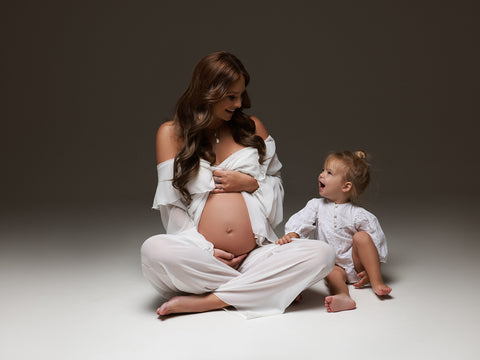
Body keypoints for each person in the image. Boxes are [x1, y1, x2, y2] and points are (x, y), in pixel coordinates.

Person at [140, 51, 335, 319]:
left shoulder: (253, 128)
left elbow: (276, 184)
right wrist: (206, 250)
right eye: (231, 96)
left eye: (241, 94)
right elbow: (171, 207)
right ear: (207, 92)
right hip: (205, 258)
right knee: (153, 251)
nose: (239, 103)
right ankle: (265, 287)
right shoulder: (170, 134)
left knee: (322, 254)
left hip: (256, 254)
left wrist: (251, 183)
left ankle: (208, 301)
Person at [276, 150, 391, 313]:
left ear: (346, 186)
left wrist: (372, 267)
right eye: (323, 170)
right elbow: (302, 221)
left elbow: (375, 239)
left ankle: (376, 281)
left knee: (362, 237)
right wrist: (294, 233)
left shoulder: (357, 213)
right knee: (332, 275)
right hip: (333, 265)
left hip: (355, 264)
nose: (321, 175)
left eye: (329, 173)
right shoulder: (316, 206)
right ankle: (343, 296)